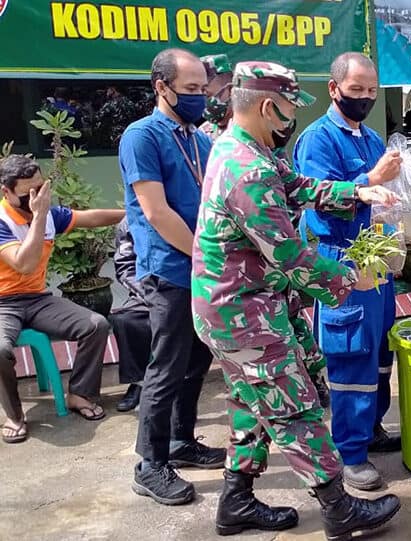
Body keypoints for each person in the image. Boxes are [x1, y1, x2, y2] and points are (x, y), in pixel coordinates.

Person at [192, 60, 401, 538]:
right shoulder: (247, 169)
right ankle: (338, 508)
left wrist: (361, 189)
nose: (292, 119)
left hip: (241, 306)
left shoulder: (247, 149)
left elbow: (301, 187)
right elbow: (290, 256)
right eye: (288, 109)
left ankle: (236, 500)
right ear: (269, 106)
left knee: (253, 404)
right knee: (295, 406)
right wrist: (353, 279)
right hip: (242, 314)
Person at [292, 52, 403, 492]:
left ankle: (371, 429)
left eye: (372, 91)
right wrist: (372, 177)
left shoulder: (373, 137)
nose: (365, 98)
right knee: (350, 354)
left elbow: (385, 194)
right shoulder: (316, 140)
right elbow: (320, 198)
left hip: (376, 256)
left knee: (379, 353)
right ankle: (349, 452)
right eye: (356, 90)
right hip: (341, 258)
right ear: (334, 89)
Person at [119, 48, 225, 506]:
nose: (201, 98)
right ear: (162, 87)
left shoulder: (199, 140)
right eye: (191, 90)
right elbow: (156, 212)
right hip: (170, 271)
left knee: (196, 361)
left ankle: (181, 441)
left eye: (203, 90)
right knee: (165, 367)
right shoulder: (142, 137)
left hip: (202, 270)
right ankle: (150, 463)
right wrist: (204, 255)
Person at [0, 155, 122, 443]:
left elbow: (88, 217)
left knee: (96, 324)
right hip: (3, 303)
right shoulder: (5, 220)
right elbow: (24, 264)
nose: (36, 198)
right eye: (27, 194)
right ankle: (14, 415)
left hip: (38, 299)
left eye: (41, 189)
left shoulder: (50, 215)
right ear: (6, 192)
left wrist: (135, 211)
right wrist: (40, 215)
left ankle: (80, 394)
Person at [108, 217, 152, 413]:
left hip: (189, 288)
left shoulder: (187, 207)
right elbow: (126, 268)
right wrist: (150, 294)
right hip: (148, 292)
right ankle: (139, 381)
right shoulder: (129, 223)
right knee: (125, 320)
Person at [199, 54, 234, 140]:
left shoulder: (250, 132)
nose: (201, 101)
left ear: (230, 91)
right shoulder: (202, 134)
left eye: (207, 95)